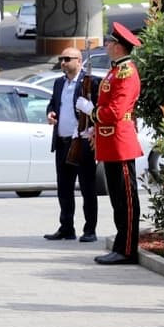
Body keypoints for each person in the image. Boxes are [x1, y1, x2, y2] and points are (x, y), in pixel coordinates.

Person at [76, 22, 143, 265]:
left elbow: (115, 111)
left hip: (120, 142)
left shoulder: (126, 73)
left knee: (125, 199)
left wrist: (92, 112)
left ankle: (126, 249)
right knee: (117, 198)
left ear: (119, 47)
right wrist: (95, 126)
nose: (107, 45)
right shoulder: (115, 71)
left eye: (110, 42)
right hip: (111, 141)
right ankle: (121, 246)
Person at [43, 47, 100, 243]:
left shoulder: (90, 82)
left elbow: (97, 110)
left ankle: (90, 229)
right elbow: (53, 103)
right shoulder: (59, 83)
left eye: (67, 59)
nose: (63, 62)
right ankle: (66, 227)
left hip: (82, 141)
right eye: (61, 59)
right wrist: (50, 113)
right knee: (64, 189)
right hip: (62, 141)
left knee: (87, 187)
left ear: (79, 60)